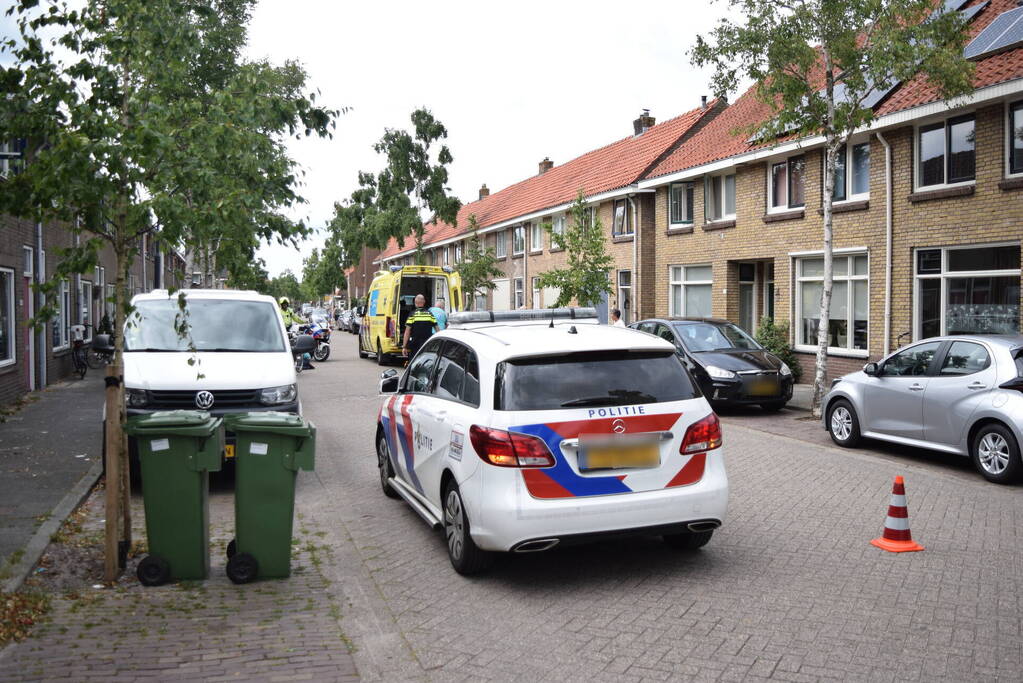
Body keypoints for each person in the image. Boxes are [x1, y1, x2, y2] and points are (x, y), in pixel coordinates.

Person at [279, 297, 314, 369]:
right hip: (282, 329)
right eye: (283, 304)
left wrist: (304, 322)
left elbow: (296, 318)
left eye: (286, 304)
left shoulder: (290, 311)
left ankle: (299, 359)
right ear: (281, 305)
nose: (285, 305)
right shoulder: (278, 311)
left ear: (288, 304)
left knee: (296, 341)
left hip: (290, 328)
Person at [402, 294, 438, 360]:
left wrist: (404, 346)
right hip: (427, 344)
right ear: (424, 302)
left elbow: (407, 331)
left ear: (415, 303)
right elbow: (438, 330)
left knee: (414, 362)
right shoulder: (430, 314)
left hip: (415, 344)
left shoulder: (412, 314)